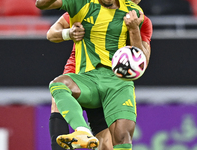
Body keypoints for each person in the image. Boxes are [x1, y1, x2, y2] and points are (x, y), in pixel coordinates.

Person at [36, 0, 151, 149]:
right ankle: (81, 131)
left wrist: (134, 29)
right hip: (81, 73)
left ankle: (85, 134)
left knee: (111, 141)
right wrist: (68, 33)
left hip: (114, 80)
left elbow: (141, 63)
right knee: (58, 98)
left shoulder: (138, 17)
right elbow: (50, 32)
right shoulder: (83, 5)